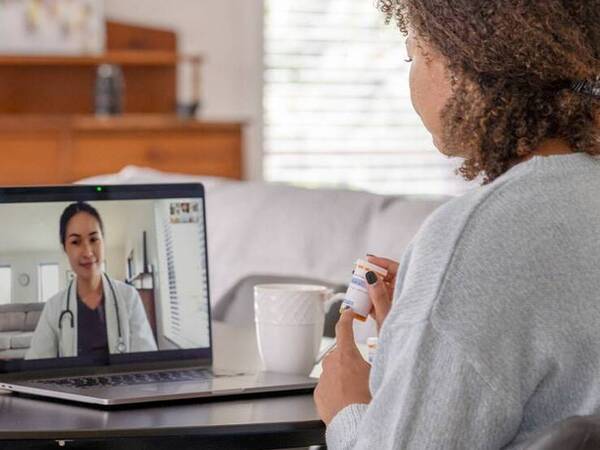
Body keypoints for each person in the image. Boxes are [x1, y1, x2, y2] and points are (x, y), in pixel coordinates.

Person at [314, 1, 600, 448]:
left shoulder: (478, 236)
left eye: (413, 56)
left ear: (459, 66)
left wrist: (349, 408)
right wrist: (418, 339)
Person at [26, 202, 157, 360]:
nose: (87, 252)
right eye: (76, 242)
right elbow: (37, 365)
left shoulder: (129, 297)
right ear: (64, 248)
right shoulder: (54, 307)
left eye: (94, 239)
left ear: (103, 241)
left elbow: (146, 362)